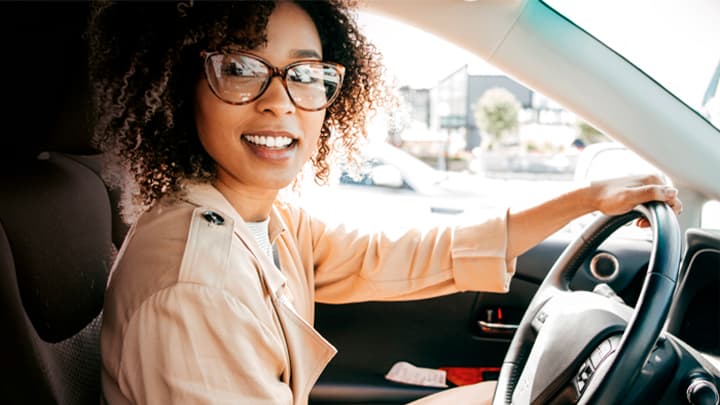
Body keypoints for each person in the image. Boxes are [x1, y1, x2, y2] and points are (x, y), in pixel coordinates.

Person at [88, 1, 682, 404]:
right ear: (178, 85)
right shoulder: (196, 286)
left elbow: (396, 255)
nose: (280, 101)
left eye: (306, 74)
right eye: (242, 68)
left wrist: (584, 200)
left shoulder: (263, 218)